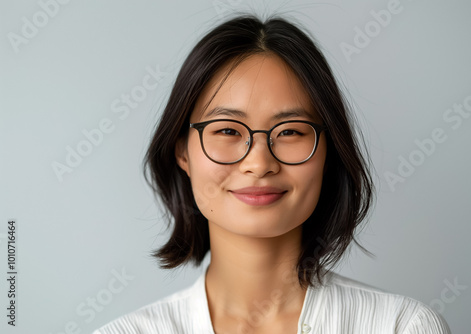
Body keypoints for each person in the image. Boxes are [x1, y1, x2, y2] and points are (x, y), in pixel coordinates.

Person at [94, 14, 451, 334]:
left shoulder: (402, 326)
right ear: (182, 151)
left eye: (291, 131)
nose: (260, 162)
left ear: (329, 151)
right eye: (228, 131)